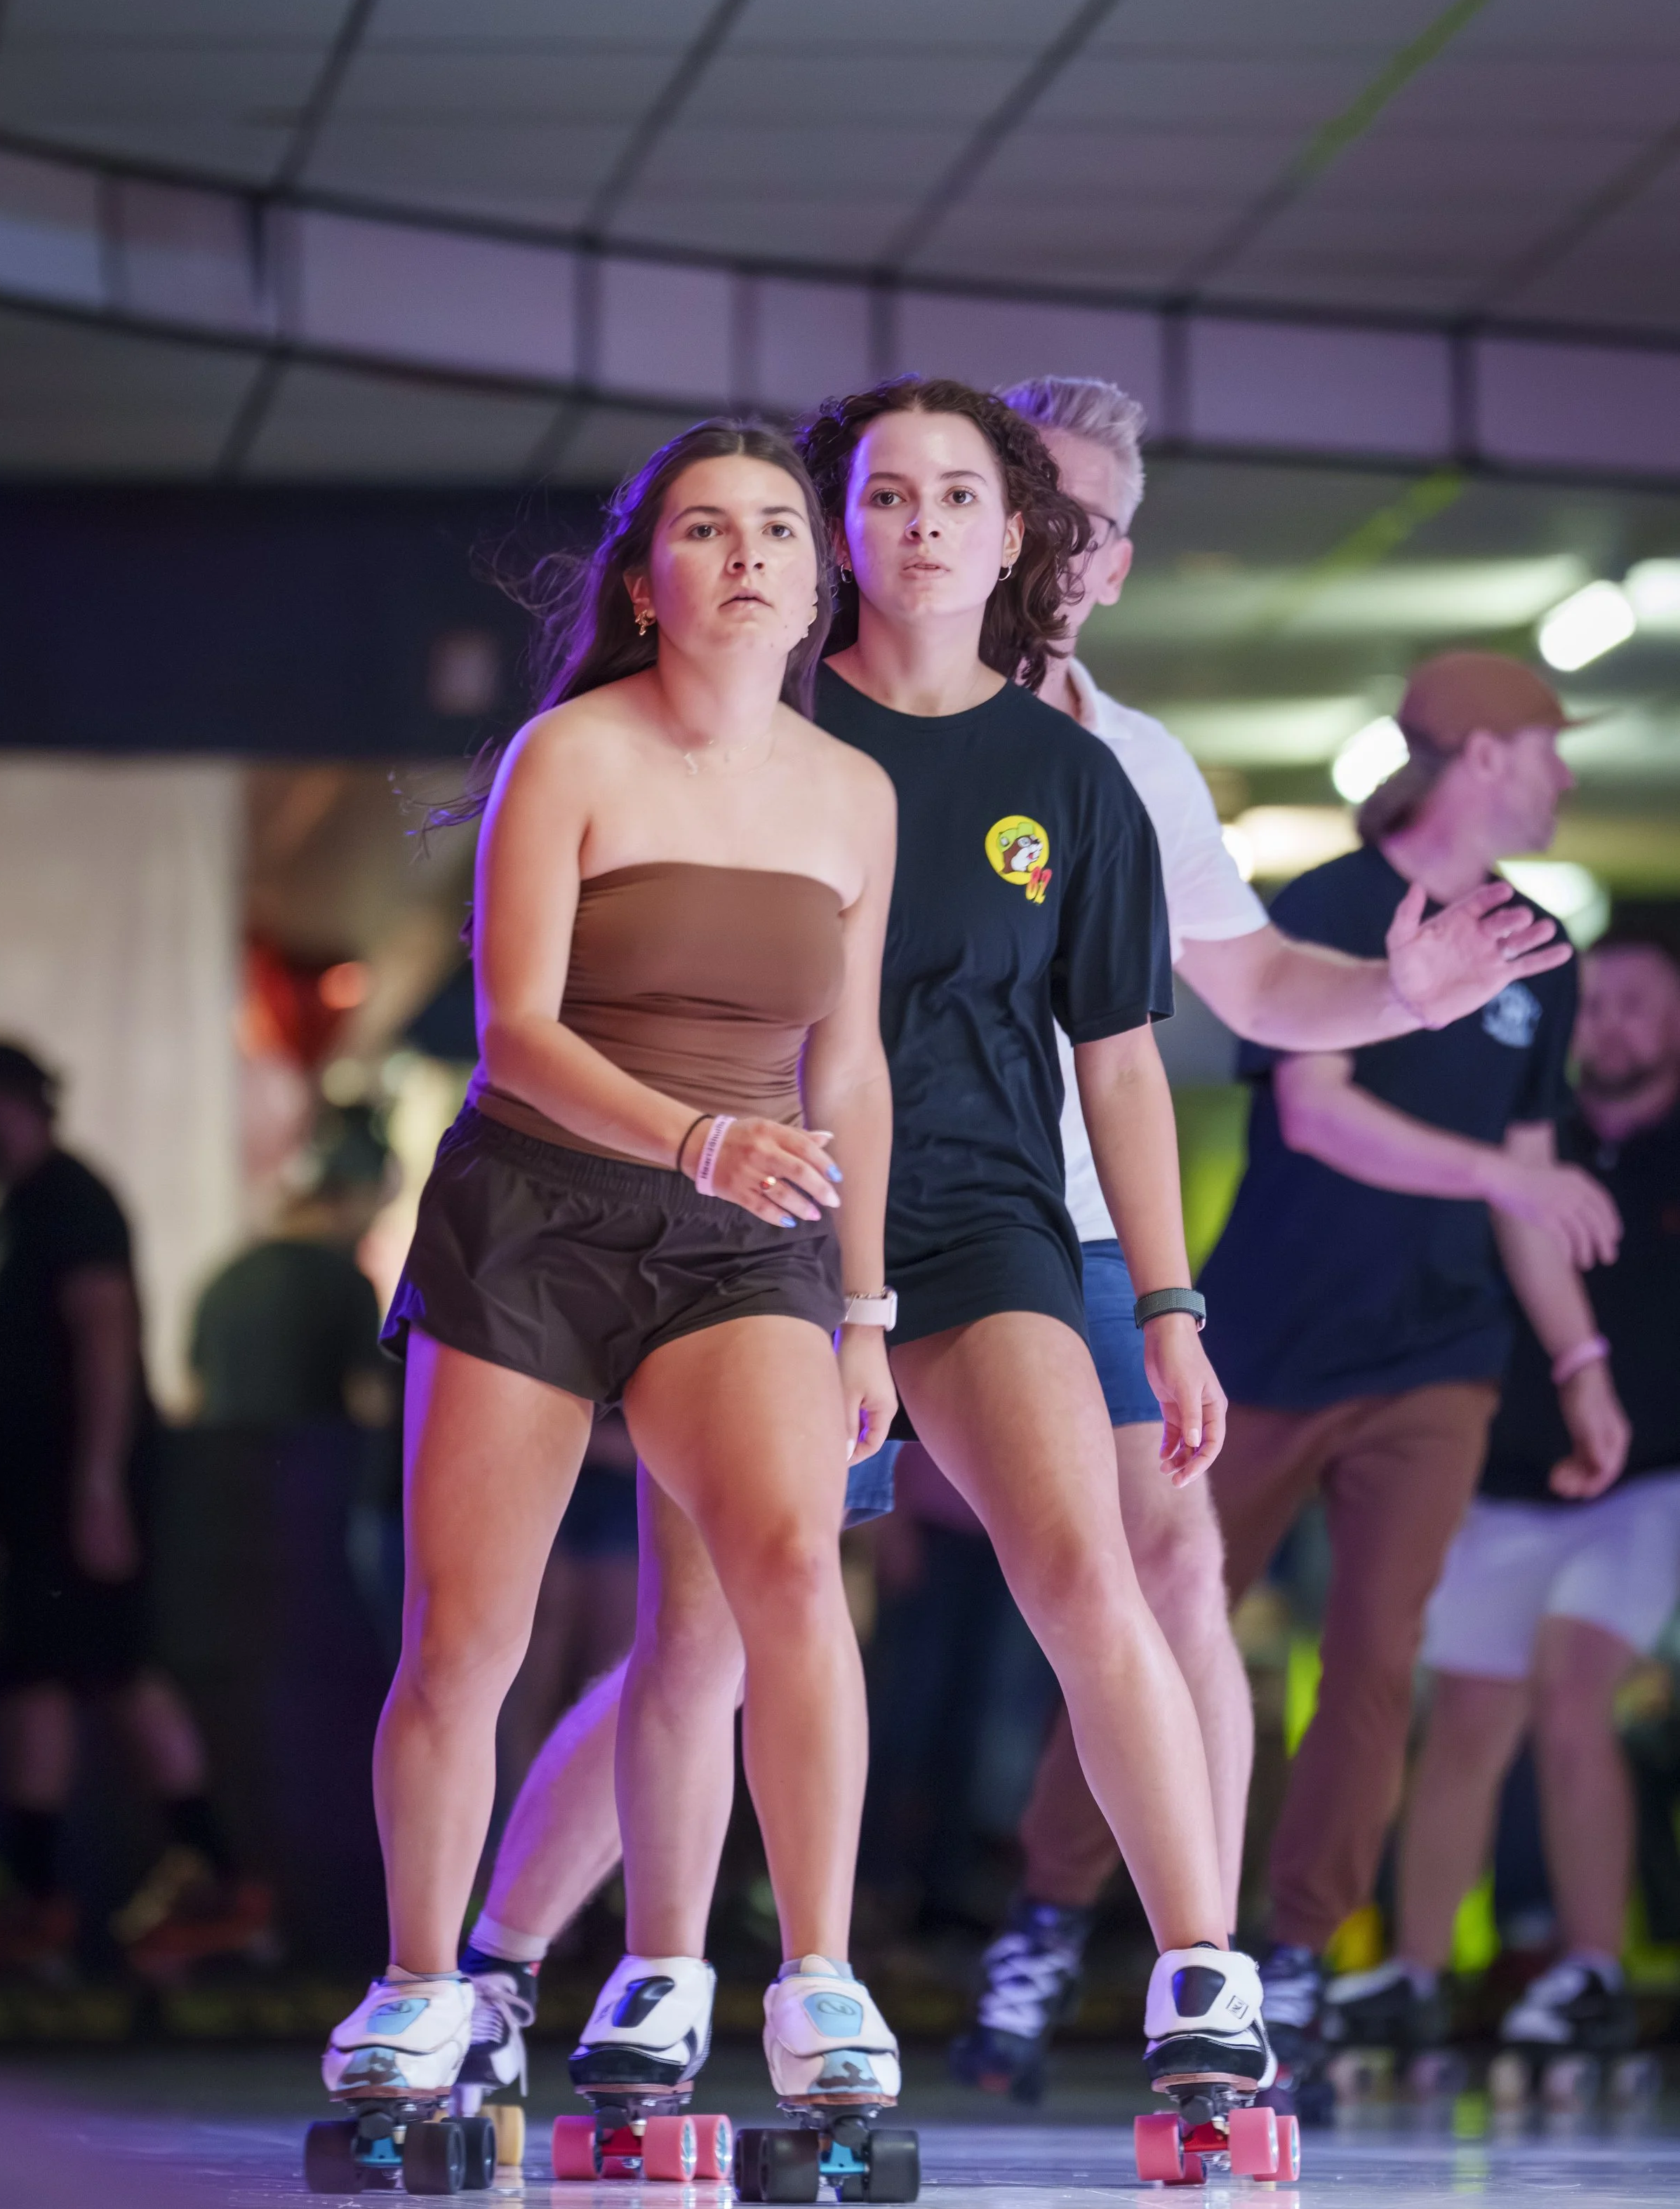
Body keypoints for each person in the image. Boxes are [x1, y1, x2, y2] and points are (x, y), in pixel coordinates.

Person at [458, 378, 1573, 2106]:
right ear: (850, 525)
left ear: (1071, 550)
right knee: (716, 1631)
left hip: (999, 1220)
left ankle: (1199, 1976)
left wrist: (1199, 1256)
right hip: (758, 1217)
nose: (945, 528)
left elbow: (1192, 1014)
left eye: (1001, 504)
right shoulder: (752, 707)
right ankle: (513, 1967)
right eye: (898, 497)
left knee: (1131, 1564)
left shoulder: (1107, 768)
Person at [320, 418, 906, 2125]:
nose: (747, 556)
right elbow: (515, 1036)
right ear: (647, 585)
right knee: (465, 1630)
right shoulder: (569, 754)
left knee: (792, 1567)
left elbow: (848, 1069)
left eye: (779, 531)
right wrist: (696, 1135)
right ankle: (425, 1986)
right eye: (707, 532)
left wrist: (864, 1300)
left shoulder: (855, 792)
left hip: (748, 1236)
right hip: (538, 1214)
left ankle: (817, 1981)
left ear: (816, 581)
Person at [1185, 652, 1629, 2092]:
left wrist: (1577, 1361)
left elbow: (1523, 1181)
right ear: (1489, 755)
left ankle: (1299, 1960)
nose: (1566, 776)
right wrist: (1511, 1189)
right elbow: (1317, 1118)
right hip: (1266, 1348)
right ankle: (1079, 1920)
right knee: (1166, 1633)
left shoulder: (1534, 949)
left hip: (1434, 1360)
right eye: (1550, 750)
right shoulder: (1318, 903)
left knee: (1374, 1667)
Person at [1383, 931, 1680, 2060]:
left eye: (1640, 1003)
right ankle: (1411, 1973)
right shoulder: (1517, 1147)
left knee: (1570, 1687)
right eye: (1596, 1003)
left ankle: (1594, 1965)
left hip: (1649, 1485)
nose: (1610, 1023)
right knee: (1463, 1718)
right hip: (1506, 1484)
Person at [0, 1040, 263, 1981]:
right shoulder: (14, 1212)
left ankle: (217, 1878)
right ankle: (38, 1889)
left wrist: (100, 1484)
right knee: (33, 1671)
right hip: (32, 1492)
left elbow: (108, 1337)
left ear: (5, 1100)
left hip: (76, 1490)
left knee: (114, 1665)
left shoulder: (72, 1199)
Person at [189, 1105, 394, 1430]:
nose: (373, 1223)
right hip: (317, 1476)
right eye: (375, 1206)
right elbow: (369, 1405)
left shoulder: (224, 1280)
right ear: (350, 1196)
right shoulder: (347, 1286)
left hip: (225, 1475)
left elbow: (193, 1401)